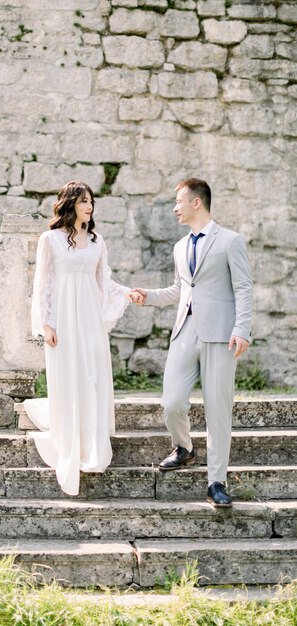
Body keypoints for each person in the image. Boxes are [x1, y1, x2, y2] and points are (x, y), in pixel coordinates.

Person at [130, 178, 252, 508]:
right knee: (171, 401)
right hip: (185, 331)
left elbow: (243, 288)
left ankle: (217, 482)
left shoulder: (230, 241)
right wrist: (148, 297)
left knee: (218, 410)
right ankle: (183, 447)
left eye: (179, 201)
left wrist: (243, 329)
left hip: (222, 336)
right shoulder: (180, 247)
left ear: (196, 202)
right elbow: (179, 290)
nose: (174, 207)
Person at [23, 180, 131, 496]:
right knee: (69, 378)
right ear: (70, 203)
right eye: (84, 201)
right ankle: (71, 440)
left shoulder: (97, 241)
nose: (89, 206)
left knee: (94, 377)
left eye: (91, 201)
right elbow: (42, 284)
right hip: (63, 321)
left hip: (90, 319)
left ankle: (95, 447)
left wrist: (128, 293)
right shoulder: (50, 240)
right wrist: (47, 325)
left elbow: (104, 282)